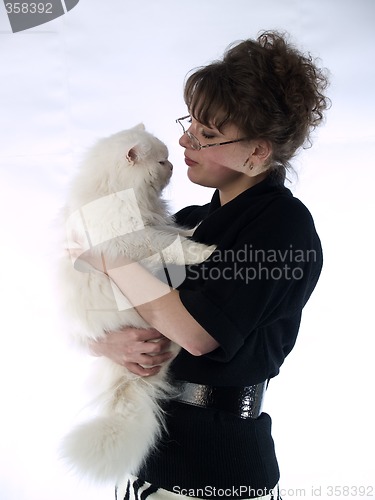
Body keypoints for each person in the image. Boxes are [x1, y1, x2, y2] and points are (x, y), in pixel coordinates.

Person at [84, 31, 330, 500]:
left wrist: (109, 252)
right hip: (148, 455)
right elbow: (124, 305)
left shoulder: (282, 228)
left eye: (207, 134)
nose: (184, 139)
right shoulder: (192, 221)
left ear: (258, 153)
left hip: (218, 468)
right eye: (191, 123)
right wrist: (109, 344)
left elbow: (195, 333)